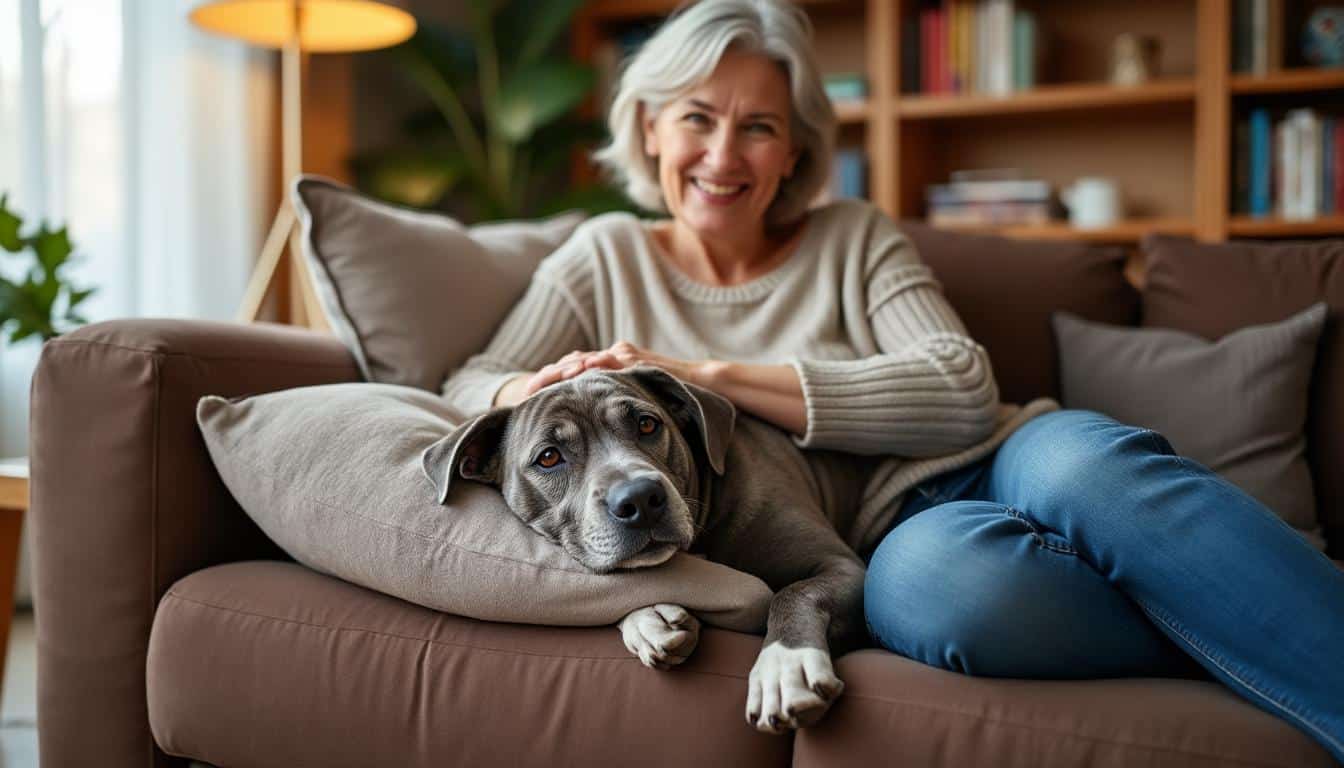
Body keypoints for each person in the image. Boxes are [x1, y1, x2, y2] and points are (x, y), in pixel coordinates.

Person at [440, 0, 1344, 757]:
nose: (723, 155)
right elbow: (465, 380)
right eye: (697, 118)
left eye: (758, 126)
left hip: (1003, 455)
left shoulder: (854, 237)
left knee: (1086, 473)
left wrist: (702, 372)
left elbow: (958, 388)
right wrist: (522, 397)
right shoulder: (603, 256)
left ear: (794, 151)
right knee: (939, 595)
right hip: (908, 535)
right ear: (648, 126)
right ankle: (1231, 601)